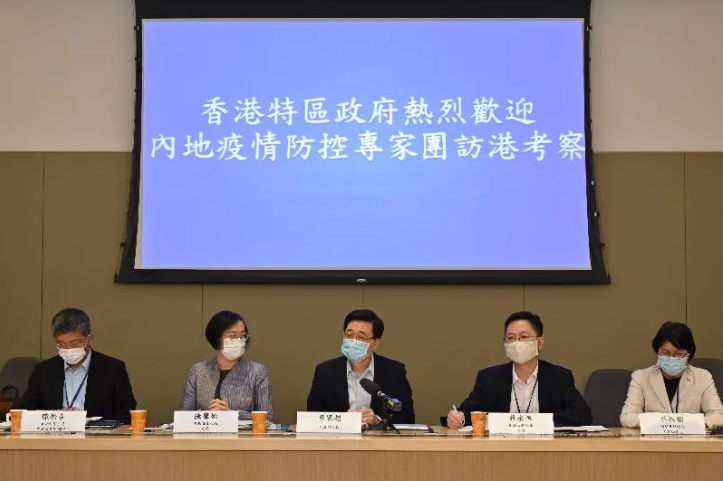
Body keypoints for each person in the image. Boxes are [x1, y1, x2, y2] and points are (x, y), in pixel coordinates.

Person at [447, 311, 591, 428]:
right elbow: (468, 412)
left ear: (539, 343)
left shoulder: (559, 376)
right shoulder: (489, 378)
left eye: (523, 337)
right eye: (511, 338)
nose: (517, 342)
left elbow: (582, 414)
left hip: (546, 447)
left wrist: (535, 421)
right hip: (500, 447)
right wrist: (458, 418)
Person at [21, 308, 137, 423]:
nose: (68, 349)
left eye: (75, 344)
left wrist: (88, 423)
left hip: (96, 433)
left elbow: (127, 413)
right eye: (61, 344)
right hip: (54, 432)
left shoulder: (113, 369)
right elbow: (24, 411)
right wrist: (55, 417)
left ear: (89, 339)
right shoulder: (43, 370)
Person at [307, 309, 415, 425]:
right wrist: (342, 419)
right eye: (349, 335)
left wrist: (378, 420)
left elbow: (407, 417)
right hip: (339, 436)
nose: (353, 341)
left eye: (361, 337)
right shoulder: (325, 371)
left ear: (375, 343)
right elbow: (312, 416)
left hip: (378, 436)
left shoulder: (394, 371)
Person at [620, 322, 723, 429]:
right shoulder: (640, 377)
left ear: (689, 354)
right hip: (652, 438)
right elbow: (627, 417)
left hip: (691, 438)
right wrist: (663, 423)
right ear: (657, 351)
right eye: (665, 353)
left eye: (678, 354)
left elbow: (718, 415)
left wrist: (691, 425)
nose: (671, 358)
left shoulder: (703, 377)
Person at [180, 311, 273, 420]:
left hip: (242, 432)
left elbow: (268, 419)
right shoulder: (198, 371)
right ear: (217, 338)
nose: (239, 341)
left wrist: (232, 414)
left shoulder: (257, 372)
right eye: (233, 336)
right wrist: (208, 415)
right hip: (205, 431)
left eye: (242, 336)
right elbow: (183, 418)